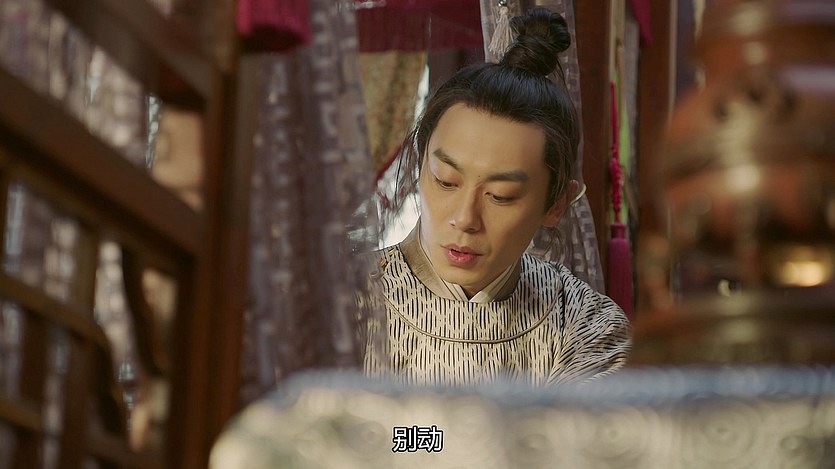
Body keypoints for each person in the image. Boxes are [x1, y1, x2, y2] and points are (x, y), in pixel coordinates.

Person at [364, 6, 631, 387]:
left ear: (556, 204)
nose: (465, 219)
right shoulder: (343, 306)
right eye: (446, 181)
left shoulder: (585, 326)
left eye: (501, 196)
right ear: (420, 169)